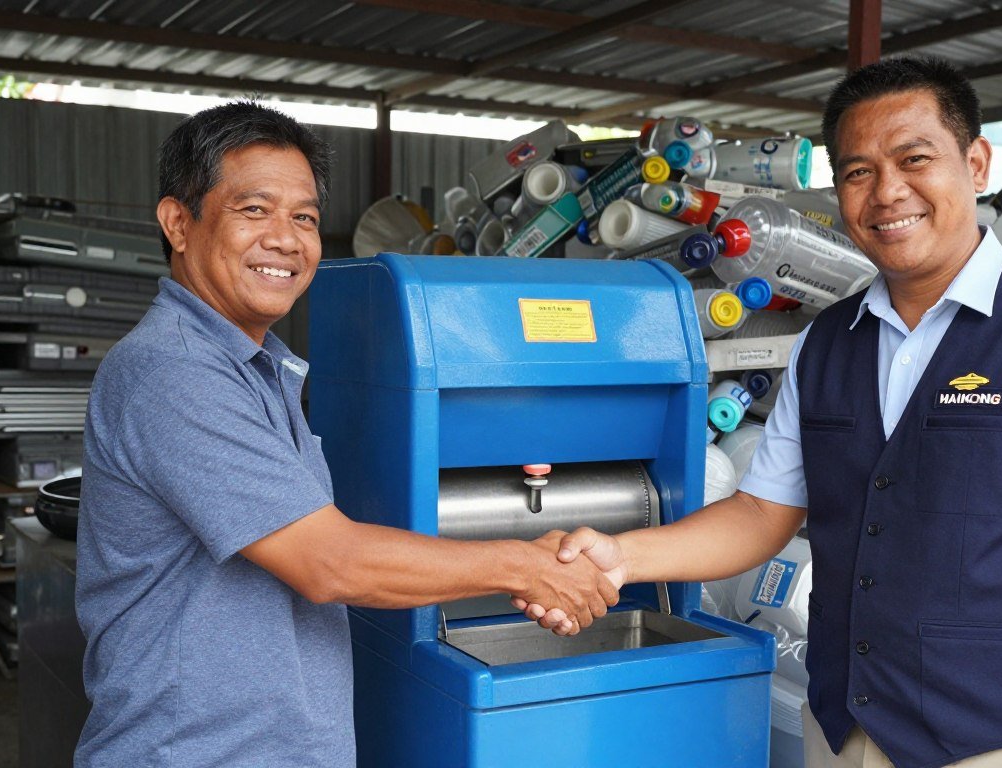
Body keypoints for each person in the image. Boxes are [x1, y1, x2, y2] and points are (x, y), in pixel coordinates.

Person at [520, 57, 1002, 768]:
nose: (888, 193)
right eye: (858, 172)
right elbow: (763, 515)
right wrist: (622, 556)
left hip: (1000, 743)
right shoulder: (828, 341)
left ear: (976, 164)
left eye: (914, 159)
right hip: (844, 732)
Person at [74, 101, 617, 767]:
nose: (286, 238)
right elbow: (330, 562)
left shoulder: (256, 369)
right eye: (254, 210)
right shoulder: (171, 372)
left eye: (303, 216)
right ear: (178, 223)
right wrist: (528, 566)